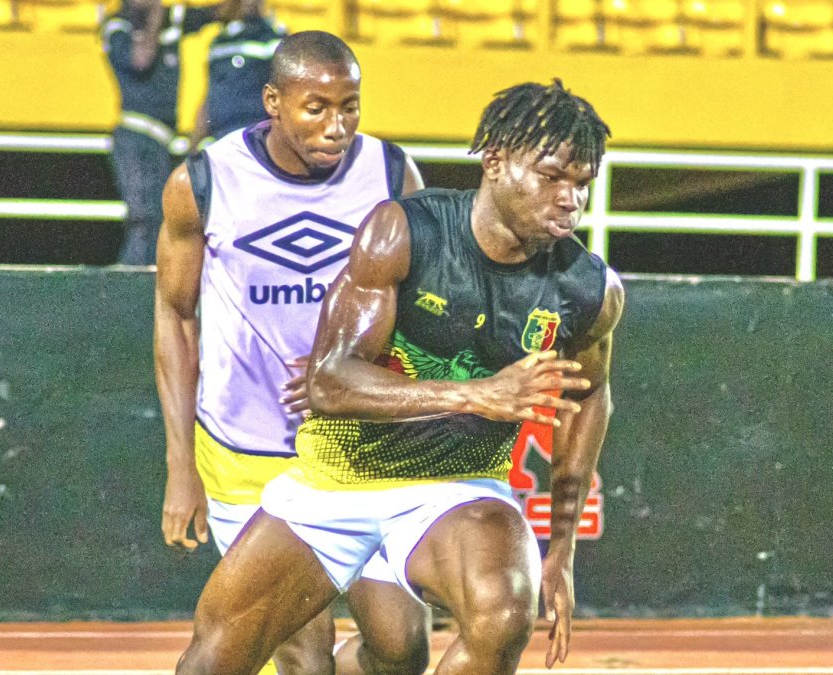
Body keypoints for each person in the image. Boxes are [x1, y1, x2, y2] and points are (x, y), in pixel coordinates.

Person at [176, 79, 623, 673]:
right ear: (494, 161)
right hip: (338, 478)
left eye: (582, 184)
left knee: (502, 613)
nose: (570, 200)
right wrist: (475, 395)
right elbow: (329, 382)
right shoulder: (407, 232)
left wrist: (561, 550)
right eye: (551, 177)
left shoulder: (588, 289)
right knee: (213, 661)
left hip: (458, 488)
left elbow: (589, 399)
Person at [155, 31, 431, 675]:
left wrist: (357, 367)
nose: (337, 126)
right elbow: (176, 316)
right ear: (273, 102)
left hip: (358, 446)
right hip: (246, 452)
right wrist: (179, 464)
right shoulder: (205, 181)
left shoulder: (391, 173)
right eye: (317, 108)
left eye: (350, 107)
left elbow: (423, 307)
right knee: (303, 654)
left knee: (402, 648)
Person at [103, 0, 242, 265]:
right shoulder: (117, 26)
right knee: (143, 219)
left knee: (160, 219)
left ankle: (150, 278)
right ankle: (129, 279)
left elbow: (215, 14)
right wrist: (157, 14)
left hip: (163, 141)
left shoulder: (174, 18)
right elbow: (141, 60)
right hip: (136, 136)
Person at [188, 0, 286, 151]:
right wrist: (193, 145)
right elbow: (210, 95)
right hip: (220, 137)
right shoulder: (218, 41)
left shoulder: (273, 38)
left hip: (256, 138)